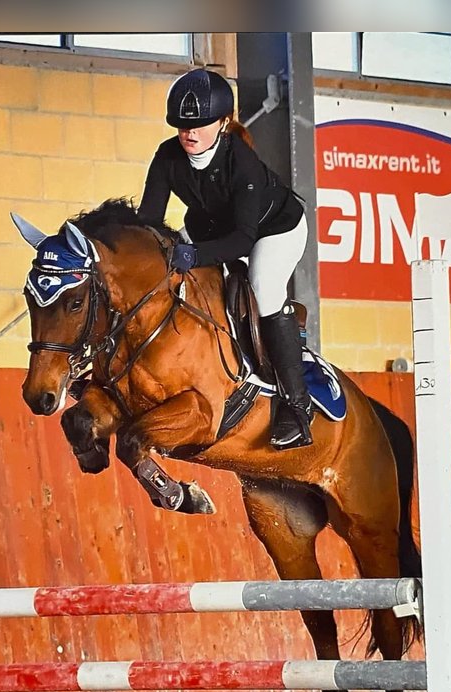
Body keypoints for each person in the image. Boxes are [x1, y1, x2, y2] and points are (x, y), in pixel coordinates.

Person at [137, 68, 313, 451]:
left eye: (200, 124)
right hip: (212, 225)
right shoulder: (168, 156)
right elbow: (148, 221)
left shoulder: (242, 164)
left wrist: (193, 254)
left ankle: (297, 408)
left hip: (273, 229)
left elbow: (243, 240)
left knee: (263, 287)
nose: (190, 132)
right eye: (183, 124)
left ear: (223, 122)